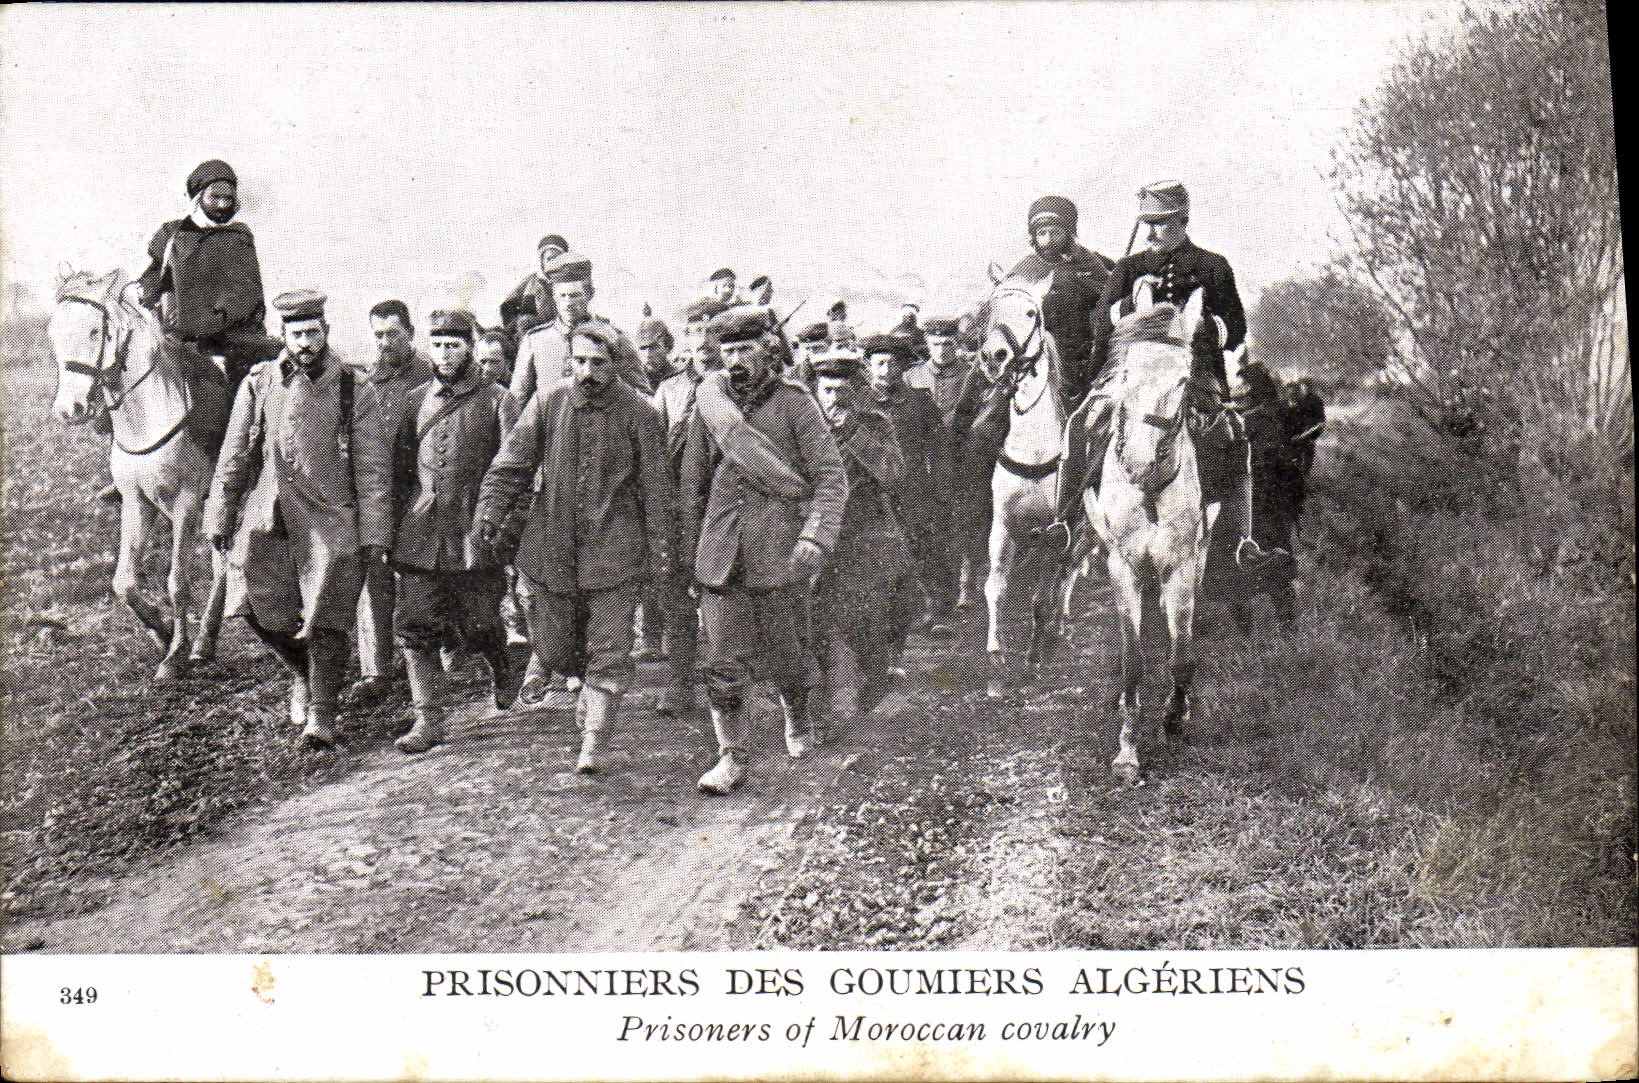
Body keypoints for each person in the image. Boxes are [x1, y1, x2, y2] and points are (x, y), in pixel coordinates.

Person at [1047, 181, 1279, 568]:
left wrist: (1202, 322)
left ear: (1183, 221)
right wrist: (1127, 303)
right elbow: (1097, 323)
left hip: (1194, 371)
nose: (1151, 232)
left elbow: (1236, 328)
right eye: (1146, 223)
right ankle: (1064, 521)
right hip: (1128, 369)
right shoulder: (1129, 268)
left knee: (1234, 434)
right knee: (1079, 424)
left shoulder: (1213, 266)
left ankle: (1243, 541)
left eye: (1161, 223)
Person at [476, 322, 674, 774]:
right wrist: (489, 512)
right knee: (555, 650)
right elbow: (511, 465)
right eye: (580, 362)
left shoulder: (641, 413)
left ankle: (594, 743)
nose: (588, 372)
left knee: (609, 649)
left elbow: (657, 488)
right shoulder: (548, 403)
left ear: (617, 364)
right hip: (551, 549)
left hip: (615, 551)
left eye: (599, 363)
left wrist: (661, 548)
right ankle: (570, 679)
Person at [204, 290, 393, 748]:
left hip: (331, 521)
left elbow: (371, 470)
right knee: (252, 602)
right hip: (269, 514)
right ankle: (301, 672)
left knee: (328, 615)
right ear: (283, 336)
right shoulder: (259, 382)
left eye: (313, 333)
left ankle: (322, 715)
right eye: (296, 334)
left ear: (326, 332)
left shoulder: (354, 386)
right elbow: (234, 454)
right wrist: (221, 516)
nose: (305, 342)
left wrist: (373, 535)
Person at [678, 307, 847, 794]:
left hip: (780, 555)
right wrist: (693, 554)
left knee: (787, 660)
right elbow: (692, 483)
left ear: (768, 350)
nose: (735, 360)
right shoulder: (709, 403)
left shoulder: (796, 403)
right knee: (723, 662)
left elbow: (830, 479)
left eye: (745, 349)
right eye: (728, 350)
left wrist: (815, 536)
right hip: (722, 552)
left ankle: (797, 715)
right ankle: (731, 757)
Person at [382, 309, 520, 753]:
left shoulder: (499, 399)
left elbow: (517, 470)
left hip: (475, 532)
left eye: (454, 346)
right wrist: (392, 527)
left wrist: (505, 531)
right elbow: (398, 470)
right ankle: (429, 720)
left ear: (470, 349)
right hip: (421, 531)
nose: (444, 354)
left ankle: (502, 662)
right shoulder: (415, 400)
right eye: (437, 345)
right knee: (415, 624)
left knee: (479, 622)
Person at [112, 159, 277, 504]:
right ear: (198, 196)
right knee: (129, 387)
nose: (222, 205)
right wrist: (145, 292)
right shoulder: (171, 236)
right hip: (182, 341)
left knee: (240, 401)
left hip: (235, 339)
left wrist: (212, 320)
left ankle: (238, 475)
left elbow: (245, 292)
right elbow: (155, 274)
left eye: (228, 199)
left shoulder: (239, 237)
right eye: (215, 197)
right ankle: (127, 472)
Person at [810, 350, 919, 724]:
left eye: (841, 391)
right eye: (826, 391)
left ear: (857, 391)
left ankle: (872, 673)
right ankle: (836, 697)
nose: (833, 400)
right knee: (823, 618)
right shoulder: (803, 427)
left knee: (884, 614)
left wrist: (853, 433)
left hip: (866, 531)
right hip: (816, 532)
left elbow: (893, 474)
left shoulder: (875, 423)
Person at [644, 298, 728, 716]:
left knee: (728, 597)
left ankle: (732, 682)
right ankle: (679, 683)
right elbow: (655, 452)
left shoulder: (741, 389)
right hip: (682, 505)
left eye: (712, 333)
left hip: (731, 506)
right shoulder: (670, 391)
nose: (704, 343)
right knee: (677, 597)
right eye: (695, 334)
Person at [350, 300, 434, 701]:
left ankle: (438, 648)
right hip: (379, 491)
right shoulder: (365, 382)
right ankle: (377, 668)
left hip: (421, 490)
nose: (384, 343)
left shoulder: (432, 375)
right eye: (378, 335)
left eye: (393, 334)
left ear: (411, 334)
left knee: (425, 573)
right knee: (374, 573)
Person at [862, 334, 954, 636]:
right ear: (868, 366)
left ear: (902, 366)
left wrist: (942, 490)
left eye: (891, 363)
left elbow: (940, 448)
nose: (884, 370)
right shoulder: (858, 403)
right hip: (871, 491)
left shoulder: (919, 401)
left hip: (915, 490)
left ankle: (936, 610)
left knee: (925, 547)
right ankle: (882, 615)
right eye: (879, 363)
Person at [1006, 195, 1113, 407]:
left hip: (1084, 354)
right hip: (1034, 355)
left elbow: (1110, 292)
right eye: (1041, 233)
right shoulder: (1024, 268)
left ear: (1069, 233)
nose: (1047, 240)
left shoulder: (1091, 262)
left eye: (1054, 233)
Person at [510, 252, 649, 404]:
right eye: (562, 295)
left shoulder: (614, 338)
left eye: (575, 295)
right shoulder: (535, 341)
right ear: (553, 297)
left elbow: (642, 397)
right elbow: (515, 401)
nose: (568, 303)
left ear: (590, 294)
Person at [498, 233, 569, 337]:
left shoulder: (569, 283)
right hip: (532, 334)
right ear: (542, 261)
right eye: (549, 259)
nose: (553, 263)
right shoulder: (531, 282)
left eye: (558, 259)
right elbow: (507, 306)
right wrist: (517, 328)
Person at [905, 317, 970, 424]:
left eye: (947, 344)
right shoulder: (911, 376)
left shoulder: (970, 375)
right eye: (936, 344)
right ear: (927, 343)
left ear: (957, 343)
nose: (941, 351)